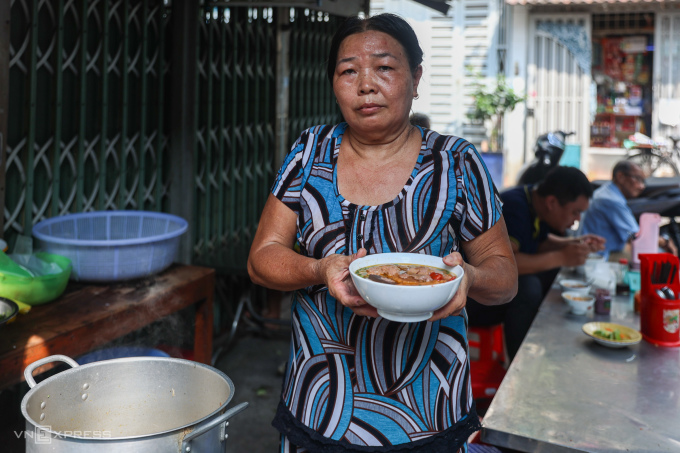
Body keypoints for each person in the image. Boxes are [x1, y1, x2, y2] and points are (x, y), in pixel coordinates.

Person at [247, 13, 517, 453]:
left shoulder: (456, 163)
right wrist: (319, 268)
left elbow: (505, 279)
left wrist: (470, 277)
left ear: (416, 77)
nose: (365, 84)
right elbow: (261, 258)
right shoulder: (309, 151)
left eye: (384, 68)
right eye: (348, 70)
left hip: (431, 412)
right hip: (319, 409)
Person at [466, 166, 606, 360]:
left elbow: (535, 245)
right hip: (475, 299)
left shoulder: (534, 200)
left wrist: (575, 243)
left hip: (493, 295)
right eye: (575, 212)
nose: (577, 220)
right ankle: (522, 361)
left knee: (546, 272)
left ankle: (548, 339)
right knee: (529, 287)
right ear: (552, 202)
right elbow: (505, 266)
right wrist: (562, 257)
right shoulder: (514, 208)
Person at [581, 160, 677, 257]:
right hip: (600, 256)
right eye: (638, 179)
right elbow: (637, 237)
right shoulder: (611, 200)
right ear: (620, 177)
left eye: (643, 182)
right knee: (660, 256)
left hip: (599, 252)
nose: (642, 187)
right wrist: (665, 241)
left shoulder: (606, 193)